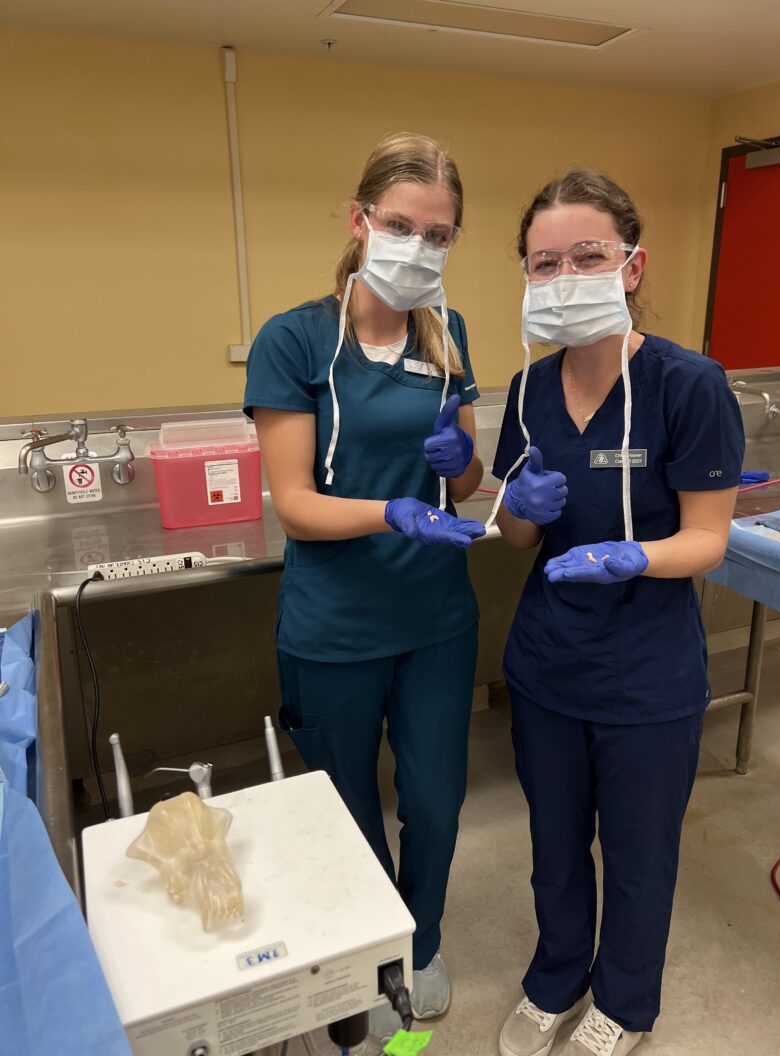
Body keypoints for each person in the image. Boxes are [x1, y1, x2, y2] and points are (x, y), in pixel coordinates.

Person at [493, 170, 745, 1056]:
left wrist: (638, 553)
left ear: (631, 265)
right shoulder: (525, 394)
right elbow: (518, 538)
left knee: (639, 857)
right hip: (547, 665)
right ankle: (556, 977)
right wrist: (517, 501)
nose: (565, 276)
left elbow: (709, 537)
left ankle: (627, 1003)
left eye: (587, 256)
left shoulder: (690, 384)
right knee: (555, 843)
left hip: (648, 673)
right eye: (544, 262)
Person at [243, 132, 486, 1039]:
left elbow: (464, 484)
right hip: (335, 624)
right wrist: (389, 513)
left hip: (435, 618)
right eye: (401, 225)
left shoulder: (448, 333)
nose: (420, 248)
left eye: (441, 235)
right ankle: (361, 956)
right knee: (344, 808)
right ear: (359, 221)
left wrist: (467, 464)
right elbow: (297, 506)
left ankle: (417, 943)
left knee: (432, 799)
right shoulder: (295, 339)